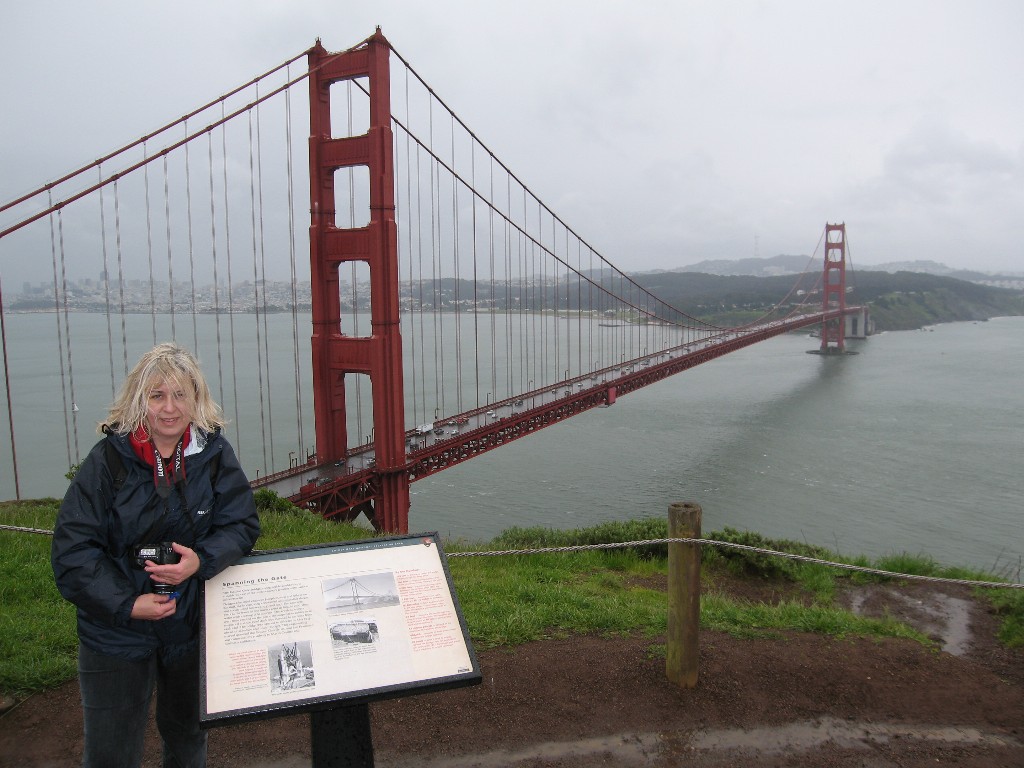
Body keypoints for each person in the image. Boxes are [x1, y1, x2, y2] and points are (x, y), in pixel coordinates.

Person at [52, 342, 260, 768]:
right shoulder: (108, 461)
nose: (170, 408)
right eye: (157, 396)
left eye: (181, 395)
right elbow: (73, 552)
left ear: (196, 400)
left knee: (188, 740)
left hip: (189, 628)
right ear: (138, 400)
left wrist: (201, 561)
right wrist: (129, 604)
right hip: (114, 634)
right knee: (112, 751)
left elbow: (241, 525)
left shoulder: (214, 455)